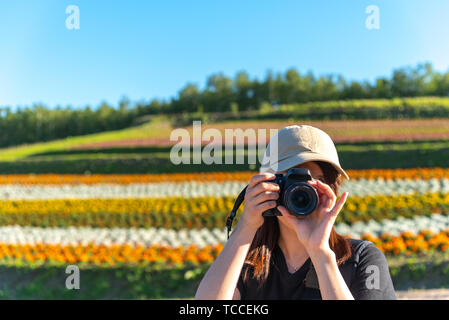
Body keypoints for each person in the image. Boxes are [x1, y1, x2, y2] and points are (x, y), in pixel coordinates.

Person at [195, 125, 396, 300]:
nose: (303, 191)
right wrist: (246, 226)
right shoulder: (245, 265)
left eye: (317, 181)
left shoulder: (362, 259)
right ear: (267, 184)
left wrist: (320, 252)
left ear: (332, 191)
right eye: (292, 180)